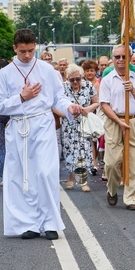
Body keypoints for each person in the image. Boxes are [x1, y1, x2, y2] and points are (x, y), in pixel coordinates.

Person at [0, 29, 83, 240]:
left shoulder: (46, 70)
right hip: (18, 127)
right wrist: (21, 98)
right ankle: (28, 223)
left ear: (36, 47)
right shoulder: (6, 73)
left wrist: (69, 107)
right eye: (22, 51)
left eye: (31, 50)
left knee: (45, 173)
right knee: (22, 176)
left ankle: (50, 222)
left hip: (42, 125)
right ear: (14, 48)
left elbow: (58, 98)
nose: (27, 55)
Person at [99, 44, 135, 210]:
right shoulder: (107, 79)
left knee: (134, 161)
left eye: (124, 57)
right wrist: (119, 121)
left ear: (129, 59)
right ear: (113, 59)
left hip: (134, 120)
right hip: (114, 121)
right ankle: (112, 190)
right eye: (117, 57)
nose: (121, 60)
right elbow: (104, 105)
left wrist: (132, 89)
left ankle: (132, 198)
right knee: (112, 162)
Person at [60, 64, 99, 192]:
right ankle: (71, 178)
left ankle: (83, 181)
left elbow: (96, 102)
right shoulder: (62, 88)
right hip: (68, 125)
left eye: (78, 79)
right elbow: (55, 106)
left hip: (83, 124)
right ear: (67, 79)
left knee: (84, 152)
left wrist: (85, 110)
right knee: (69, 151)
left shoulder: (88, 86)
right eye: (72, 80)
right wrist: (67, 113)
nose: (75, 82)